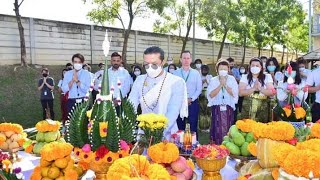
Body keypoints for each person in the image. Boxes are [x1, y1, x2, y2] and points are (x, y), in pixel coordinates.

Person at [128, 46, 188, 140]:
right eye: (147, 65)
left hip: (167, 134)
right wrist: (126, 125)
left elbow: (173, 110)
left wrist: (157, 134)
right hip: (144, 133)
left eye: (154, 65)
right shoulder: (140, 80)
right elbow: (131, 105)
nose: (150, 68)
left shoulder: (175, 82)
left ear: (163, 62)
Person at [207, 59, 238, 144]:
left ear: (228, 69)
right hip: (217, 108)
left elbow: (235, 94)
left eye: (225, 69)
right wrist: (220, 85)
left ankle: (228, 147)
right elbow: (210, 95)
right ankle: (216, 147)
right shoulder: (213, 80)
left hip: (228, 108)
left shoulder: (232, 79)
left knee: (228, 128)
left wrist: (225, 85)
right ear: (217, 70)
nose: (223, 71)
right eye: (221, 69)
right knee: (217, 128)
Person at [174, 51, 202, 136]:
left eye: (188, 58)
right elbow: (174, 89)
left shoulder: (196, 73)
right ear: (180, 60)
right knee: (180, 125)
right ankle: (179, 144)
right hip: (179, 103)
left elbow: (199, 89)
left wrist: (191, 99)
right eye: (184, 58)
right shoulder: (175, 73)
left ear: (191, 60)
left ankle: (193, 145)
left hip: (192, 103)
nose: (186, 60)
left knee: (193, 125)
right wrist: (182, 99)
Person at [239, 58, 275, 122]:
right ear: (249, 67)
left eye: (257, 66)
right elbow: (240, 92)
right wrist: (253, 88)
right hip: (248, 105)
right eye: (253, 65)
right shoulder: (245, 77)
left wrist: (260, 89)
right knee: (247, 126)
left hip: (263, 106)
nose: (255, 67)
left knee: (261, 127)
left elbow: (272, 92)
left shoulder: (267, 76)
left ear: (261, 67)